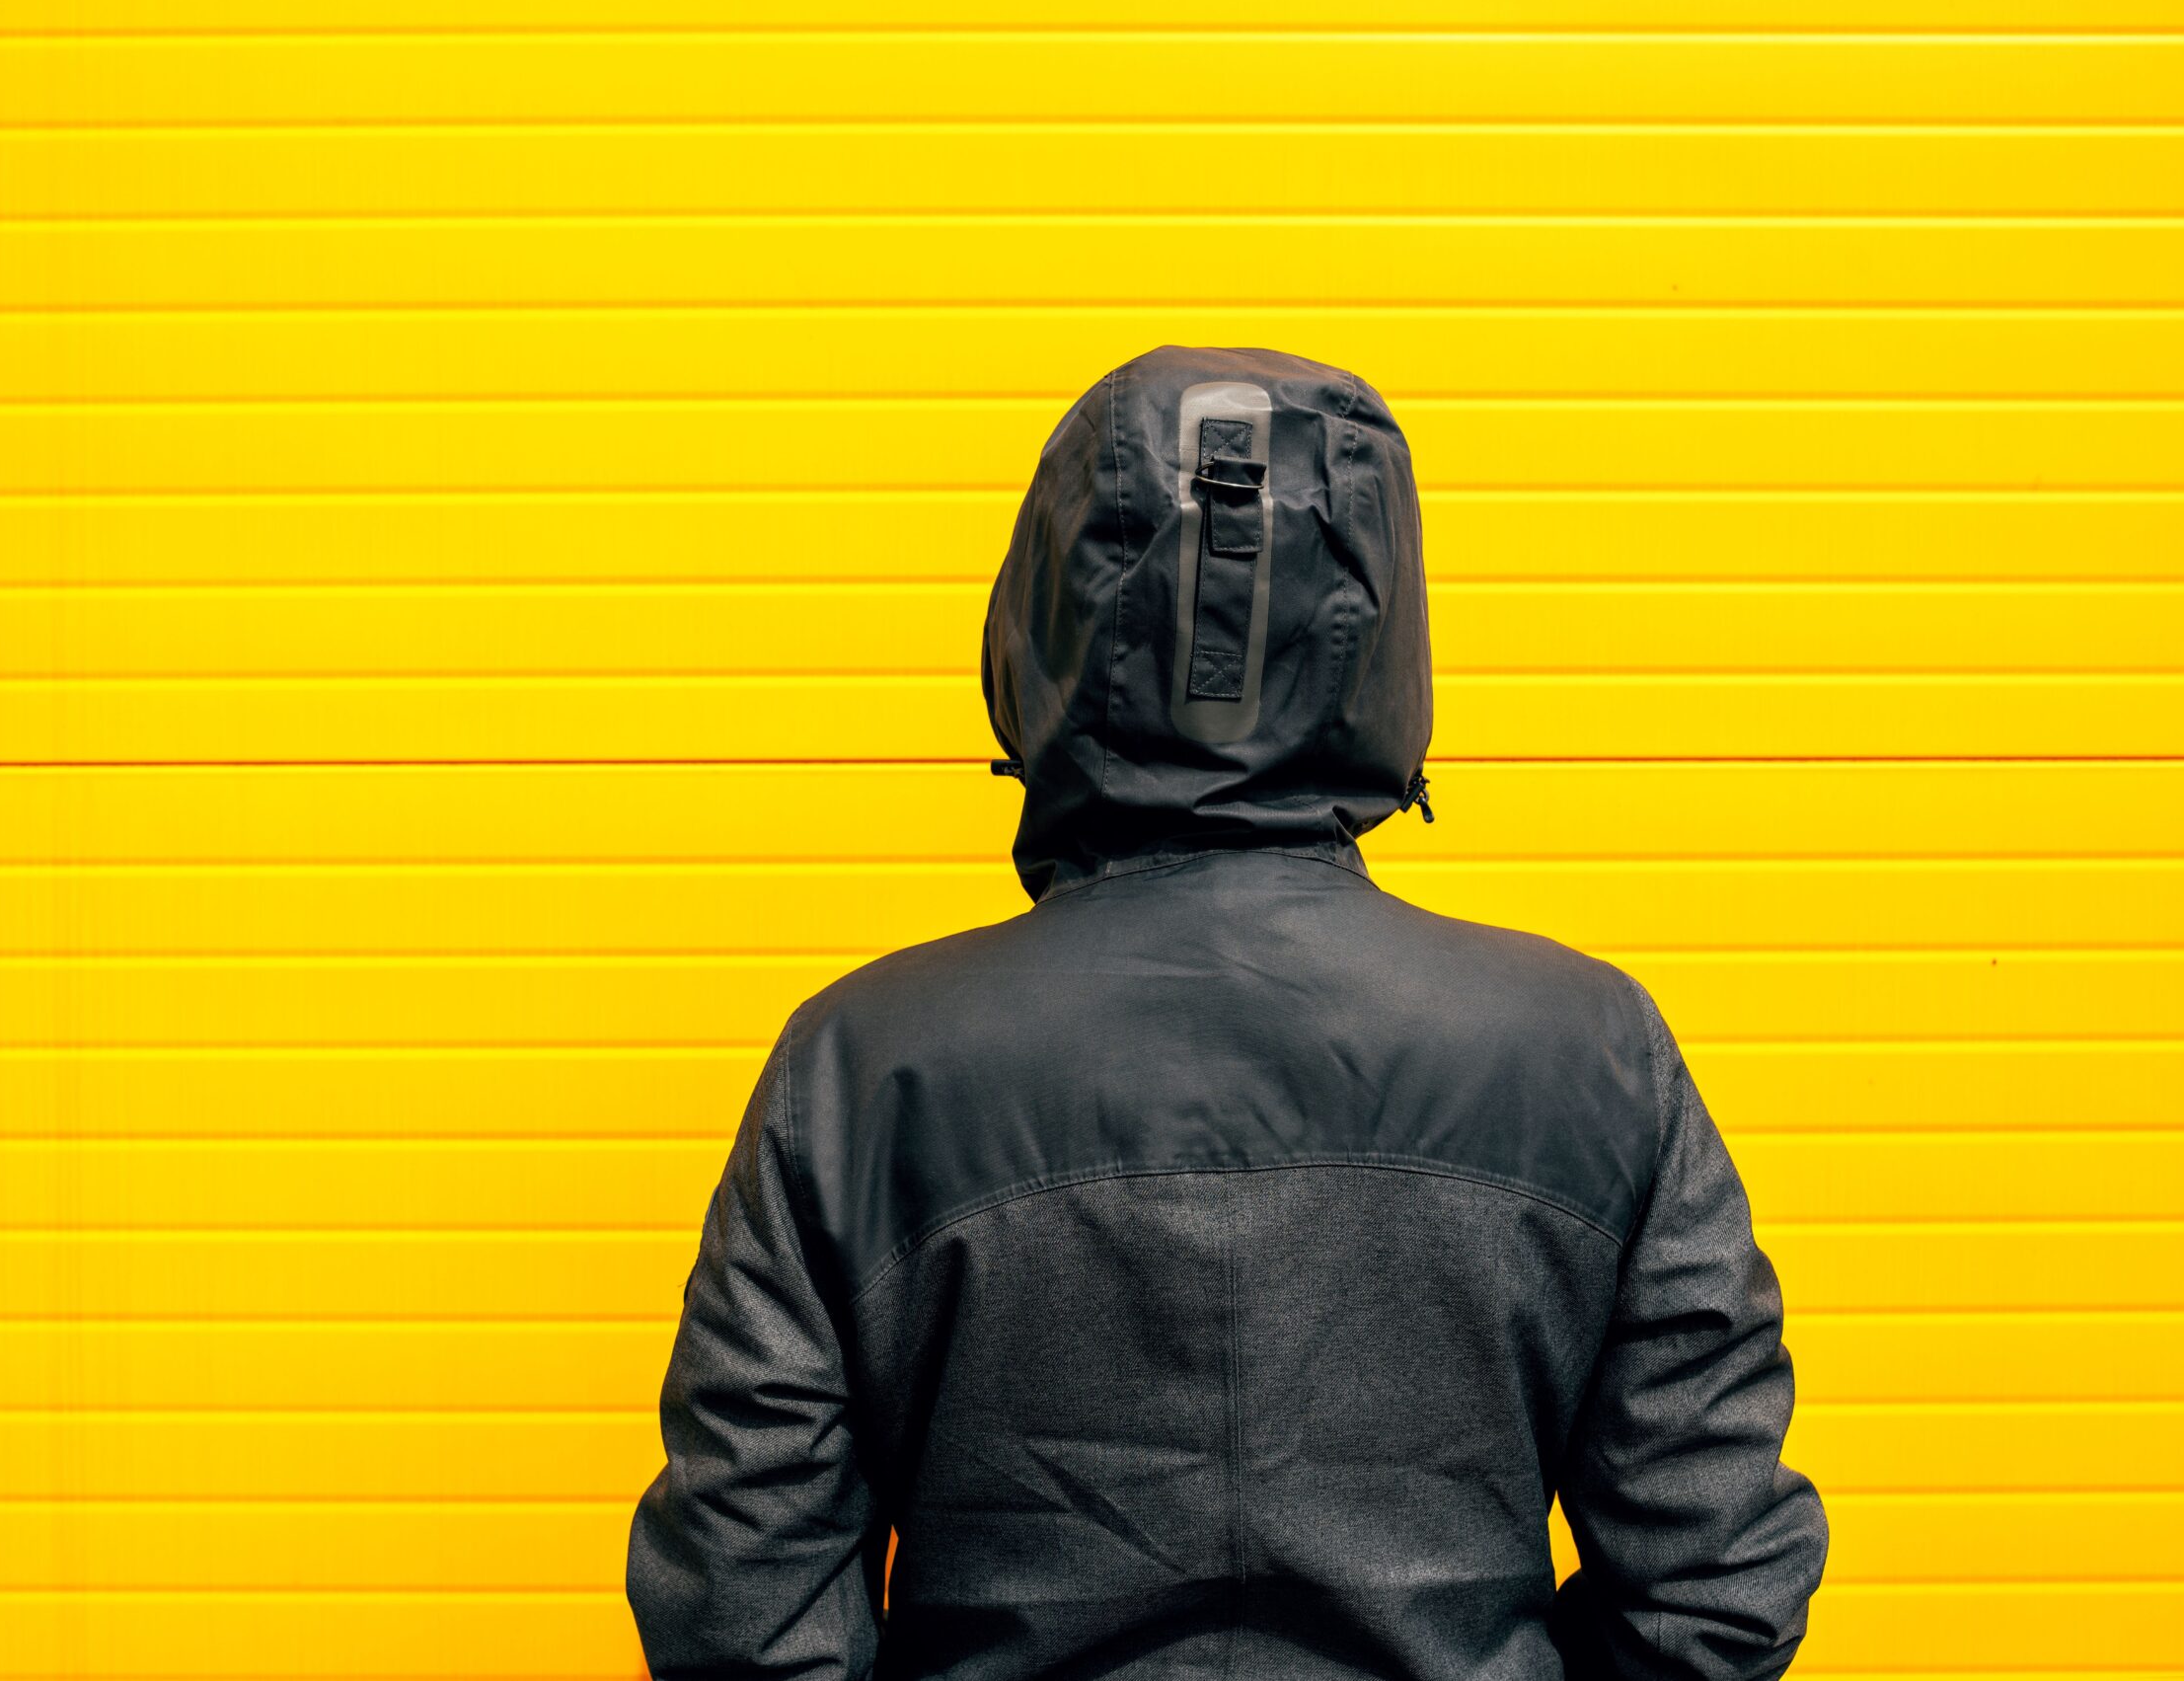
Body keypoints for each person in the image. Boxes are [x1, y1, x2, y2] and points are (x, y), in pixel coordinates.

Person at [627, 344, 1828, 1680]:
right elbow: (1715, 1584)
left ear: (1047, 621)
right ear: (1380, 635)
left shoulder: (860, 1064)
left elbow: (742, 1601)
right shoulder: (1593, 1050)